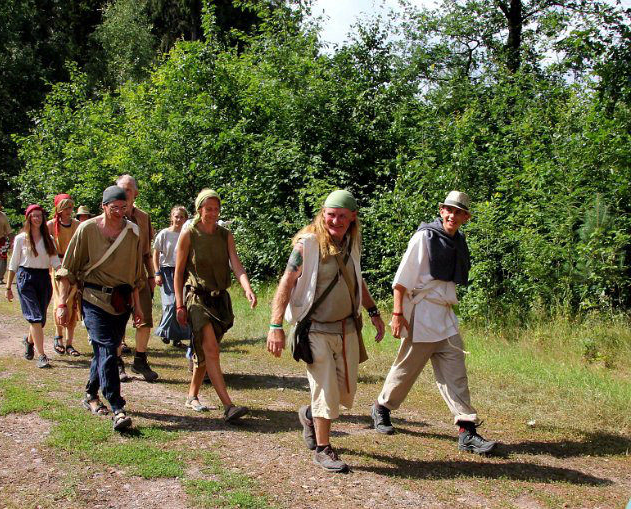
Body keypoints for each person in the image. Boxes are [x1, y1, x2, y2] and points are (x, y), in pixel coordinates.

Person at [266, 190, 385, 473]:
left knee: (344, 393)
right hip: (315, 330)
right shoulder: (307, 245)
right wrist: (275, 325)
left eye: (342, 215)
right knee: (325, 389)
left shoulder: (352, 243)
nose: (336, 220)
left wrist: (373, 311)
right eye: (331, 215)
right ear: (323, 214)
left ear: (353, 217)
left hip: (347, 330)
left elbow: (356, 278)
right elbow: (287, 281)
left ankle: (310, 415)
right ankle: (323, 449)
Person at [371, 191, 497, 455]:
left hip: (445, 317)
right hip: (422, 314)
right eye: (449, 210)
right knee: (406, 370)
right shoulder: (424, 237)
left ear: (466, 217)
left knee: (456, 374)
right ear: (441, 211)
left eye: (459, 212)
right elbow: (401, 280)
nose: (452, 216)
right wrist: (397, 314)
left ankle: (467, 430)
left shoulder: (458, 241)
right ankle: (382, 407)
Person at [54, 185, 144, 431]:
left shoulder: (133, 232)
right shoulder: (87, 229)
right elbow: (68, 269)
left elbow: (136, 274)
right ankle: (117, 408)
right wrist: (62, 303)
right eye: (114, 208)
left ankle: (90, 394)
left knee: (106, 350)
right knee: (107, 348)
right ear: (103, 206)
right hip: (93, 298)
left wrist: (137, 307)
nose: (119, 212)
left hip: (121, 301)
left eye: (124, 207)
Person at [174, 189, 257, 421]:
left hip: (219, 300)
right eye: (208, 209)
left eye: (216, 209)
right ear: (199, 209)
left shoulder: (225, 235)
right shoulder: (189, 234)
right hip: (196, 299)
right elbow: (178, 272)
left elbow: (236, 264)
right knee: (211, 349)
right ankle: (228, 406)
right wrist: (179, 305)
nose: (213, 213)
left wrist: (247, 288)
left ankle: (192, 395)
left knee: (205, 351)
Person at [5, 205, 61, 369]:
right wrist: (8, 287)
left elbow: (55, 262)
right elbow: (14, 263)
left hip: (44, 278)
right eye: (34, 216)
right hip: (26, 278)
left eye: (39, 216)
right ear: (28, 218)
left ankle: (29, 341)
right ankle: (42, 355)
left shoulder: (49, 239)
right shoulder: (21, 239)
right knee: (35, 317)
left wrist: (65, 275)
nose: (37, 219)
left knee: (40, 320)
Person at [116, 175, 158, 382]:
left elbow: (147, 251)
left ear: (136, 194)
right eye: (121, 189)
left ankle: (140, 360)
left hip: (139, 274)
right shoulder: (110, 216)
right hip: (115, 275)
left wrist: (152, 275)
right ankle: (116, 362)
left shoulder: (143, 217)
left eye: (128, 190)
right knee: (117, 318)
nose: (124, 193)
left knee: (145, 320)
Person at [46, 194, 82, 356]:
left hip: (73, 266)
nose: (69, 211)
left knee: (72, 303)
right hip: (57, 267)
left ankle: (69, 342)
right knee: (59, 303)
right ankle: (58, 336)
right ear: (59, 208)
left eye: (70, 207)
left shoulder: (77, 225)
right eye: (66, 207)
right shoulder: (50, 225)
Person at [152, 205, 191, 348]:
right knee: (170, 303)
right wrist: (157, 273)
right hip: (167, 271)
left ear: (185, 219)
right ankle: (164, 330)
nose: (178, 219)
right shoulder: (164, 234)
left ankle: (176, 337)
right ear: (171, 217)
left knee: (181, 304)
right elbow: (155, 254)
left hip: (183, 271)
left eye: (181, 217)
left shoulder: (188, 234)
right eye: (176, 216)